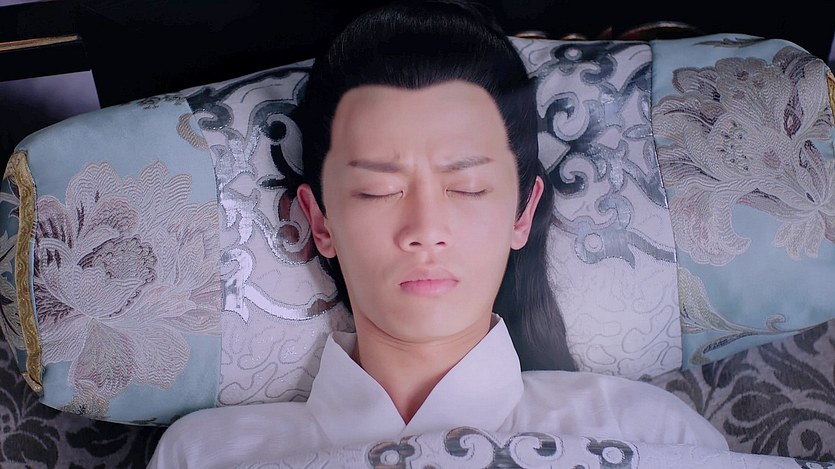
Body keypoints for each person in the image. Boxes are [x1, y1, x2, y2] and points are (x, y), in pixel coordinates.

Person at [147, 1, 728, 467]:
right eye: (378, 190)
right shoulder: (206, 454)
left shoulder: (649, 435)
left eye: (468, 188)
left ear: (522, 214)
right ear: (320, 221)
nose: (425, 230)